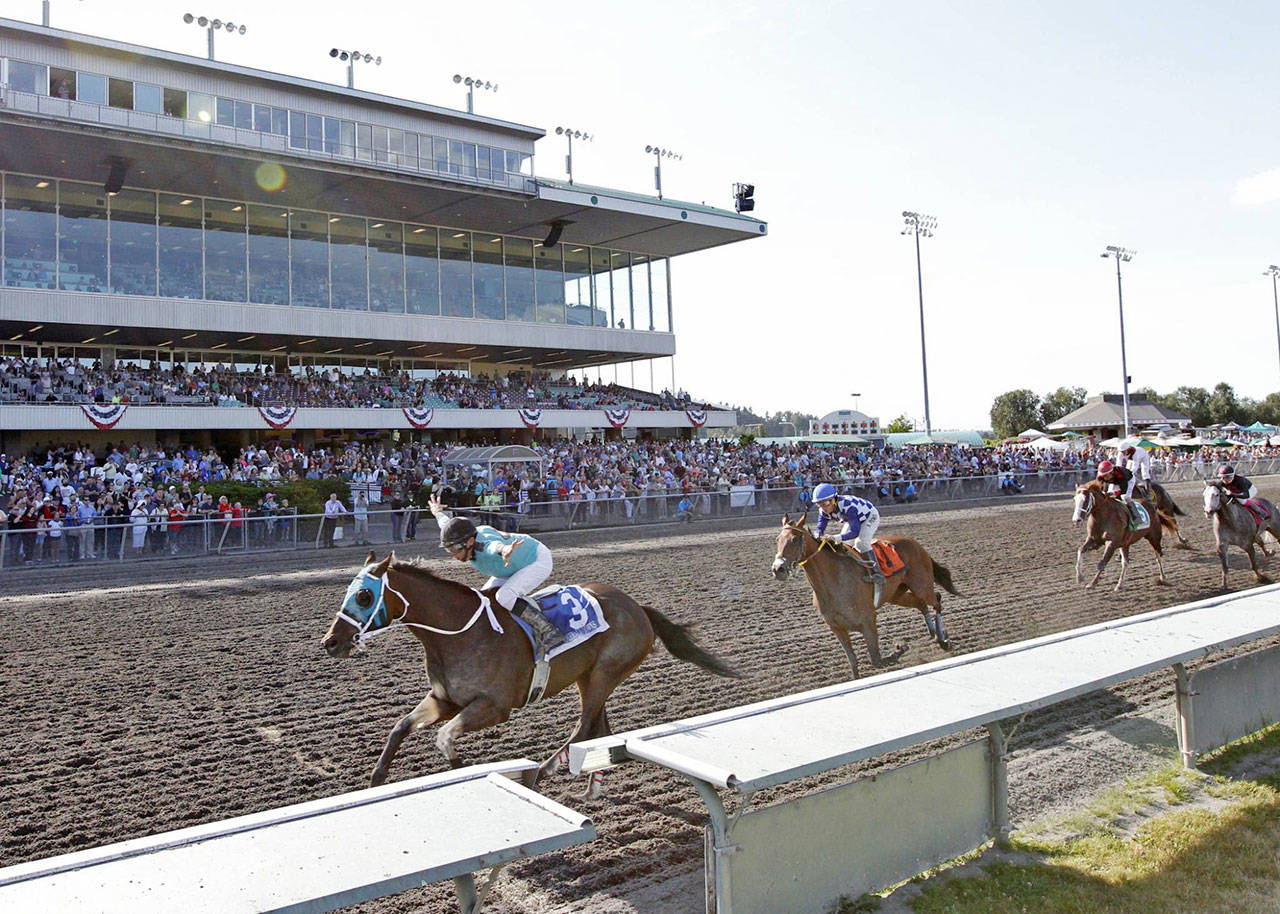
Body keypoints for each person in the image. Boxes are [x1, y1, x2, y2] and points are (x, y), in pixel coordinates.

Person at [428, 492, 565, 657]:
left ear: (470, 542)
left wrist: (505, 550)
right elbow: (445, 524)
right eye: (449, 550)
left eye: (454, 549)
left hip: (536, 561)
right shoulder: (463, 535)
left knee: (504, 596)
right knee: (483, 599)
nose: (453, 555)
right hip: (510, 567)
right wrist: (436, 511)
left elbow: (493, 546)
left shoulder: (482, 542)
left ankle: (549, 631)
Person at [811, 482, 885, 605]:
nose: (824, 507)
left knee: (861, 543)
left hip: (869, 517)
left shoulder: (848, 506)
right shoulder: (823, 511)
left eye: (826, 503)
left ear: (834, 499)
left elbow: (855, 532)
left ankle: (877, 573)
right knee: (845, 545)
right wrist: (818, 533)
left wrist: (835, 537)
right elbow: (820, 527)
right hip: (853, 519)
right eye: (819, 504)